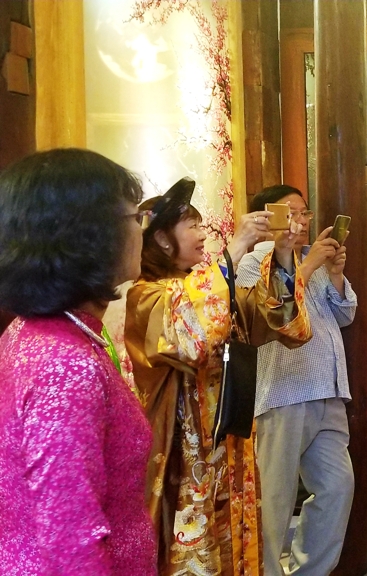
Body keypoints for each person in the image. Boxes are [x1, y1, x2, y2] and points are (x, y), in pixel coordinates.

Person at [125, 178, 313, 575]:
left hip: (226, 440)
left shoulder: (207, 285)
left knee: (234, 538)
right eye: (191, 226)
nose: (202, 235)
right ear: (161, 239)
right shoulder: (145, 295)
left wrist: (282, 255)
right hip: (185, 447)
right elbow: (193, 335)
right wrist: (234, 249)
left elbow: (275, 320)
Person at [0, 148, 157, 574]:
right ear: (90, 234)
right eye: (136, 216)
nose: (143, 229)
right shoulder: (65, 365)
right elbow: (72, 543)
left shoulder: (35, 330)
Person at [235, 185, 355, 576]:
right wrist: (308, 266)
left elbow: (345, 315)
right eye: (291, 214)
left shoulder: (311, 259)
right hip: (282, 393)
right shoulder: (253, 262)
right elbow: (270, 314)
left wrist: (333, 273)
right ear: (267, 218)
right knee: (273, 501)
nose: (301, 222)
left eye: (304, 213)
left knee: (337, 488)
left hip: (329, 389)